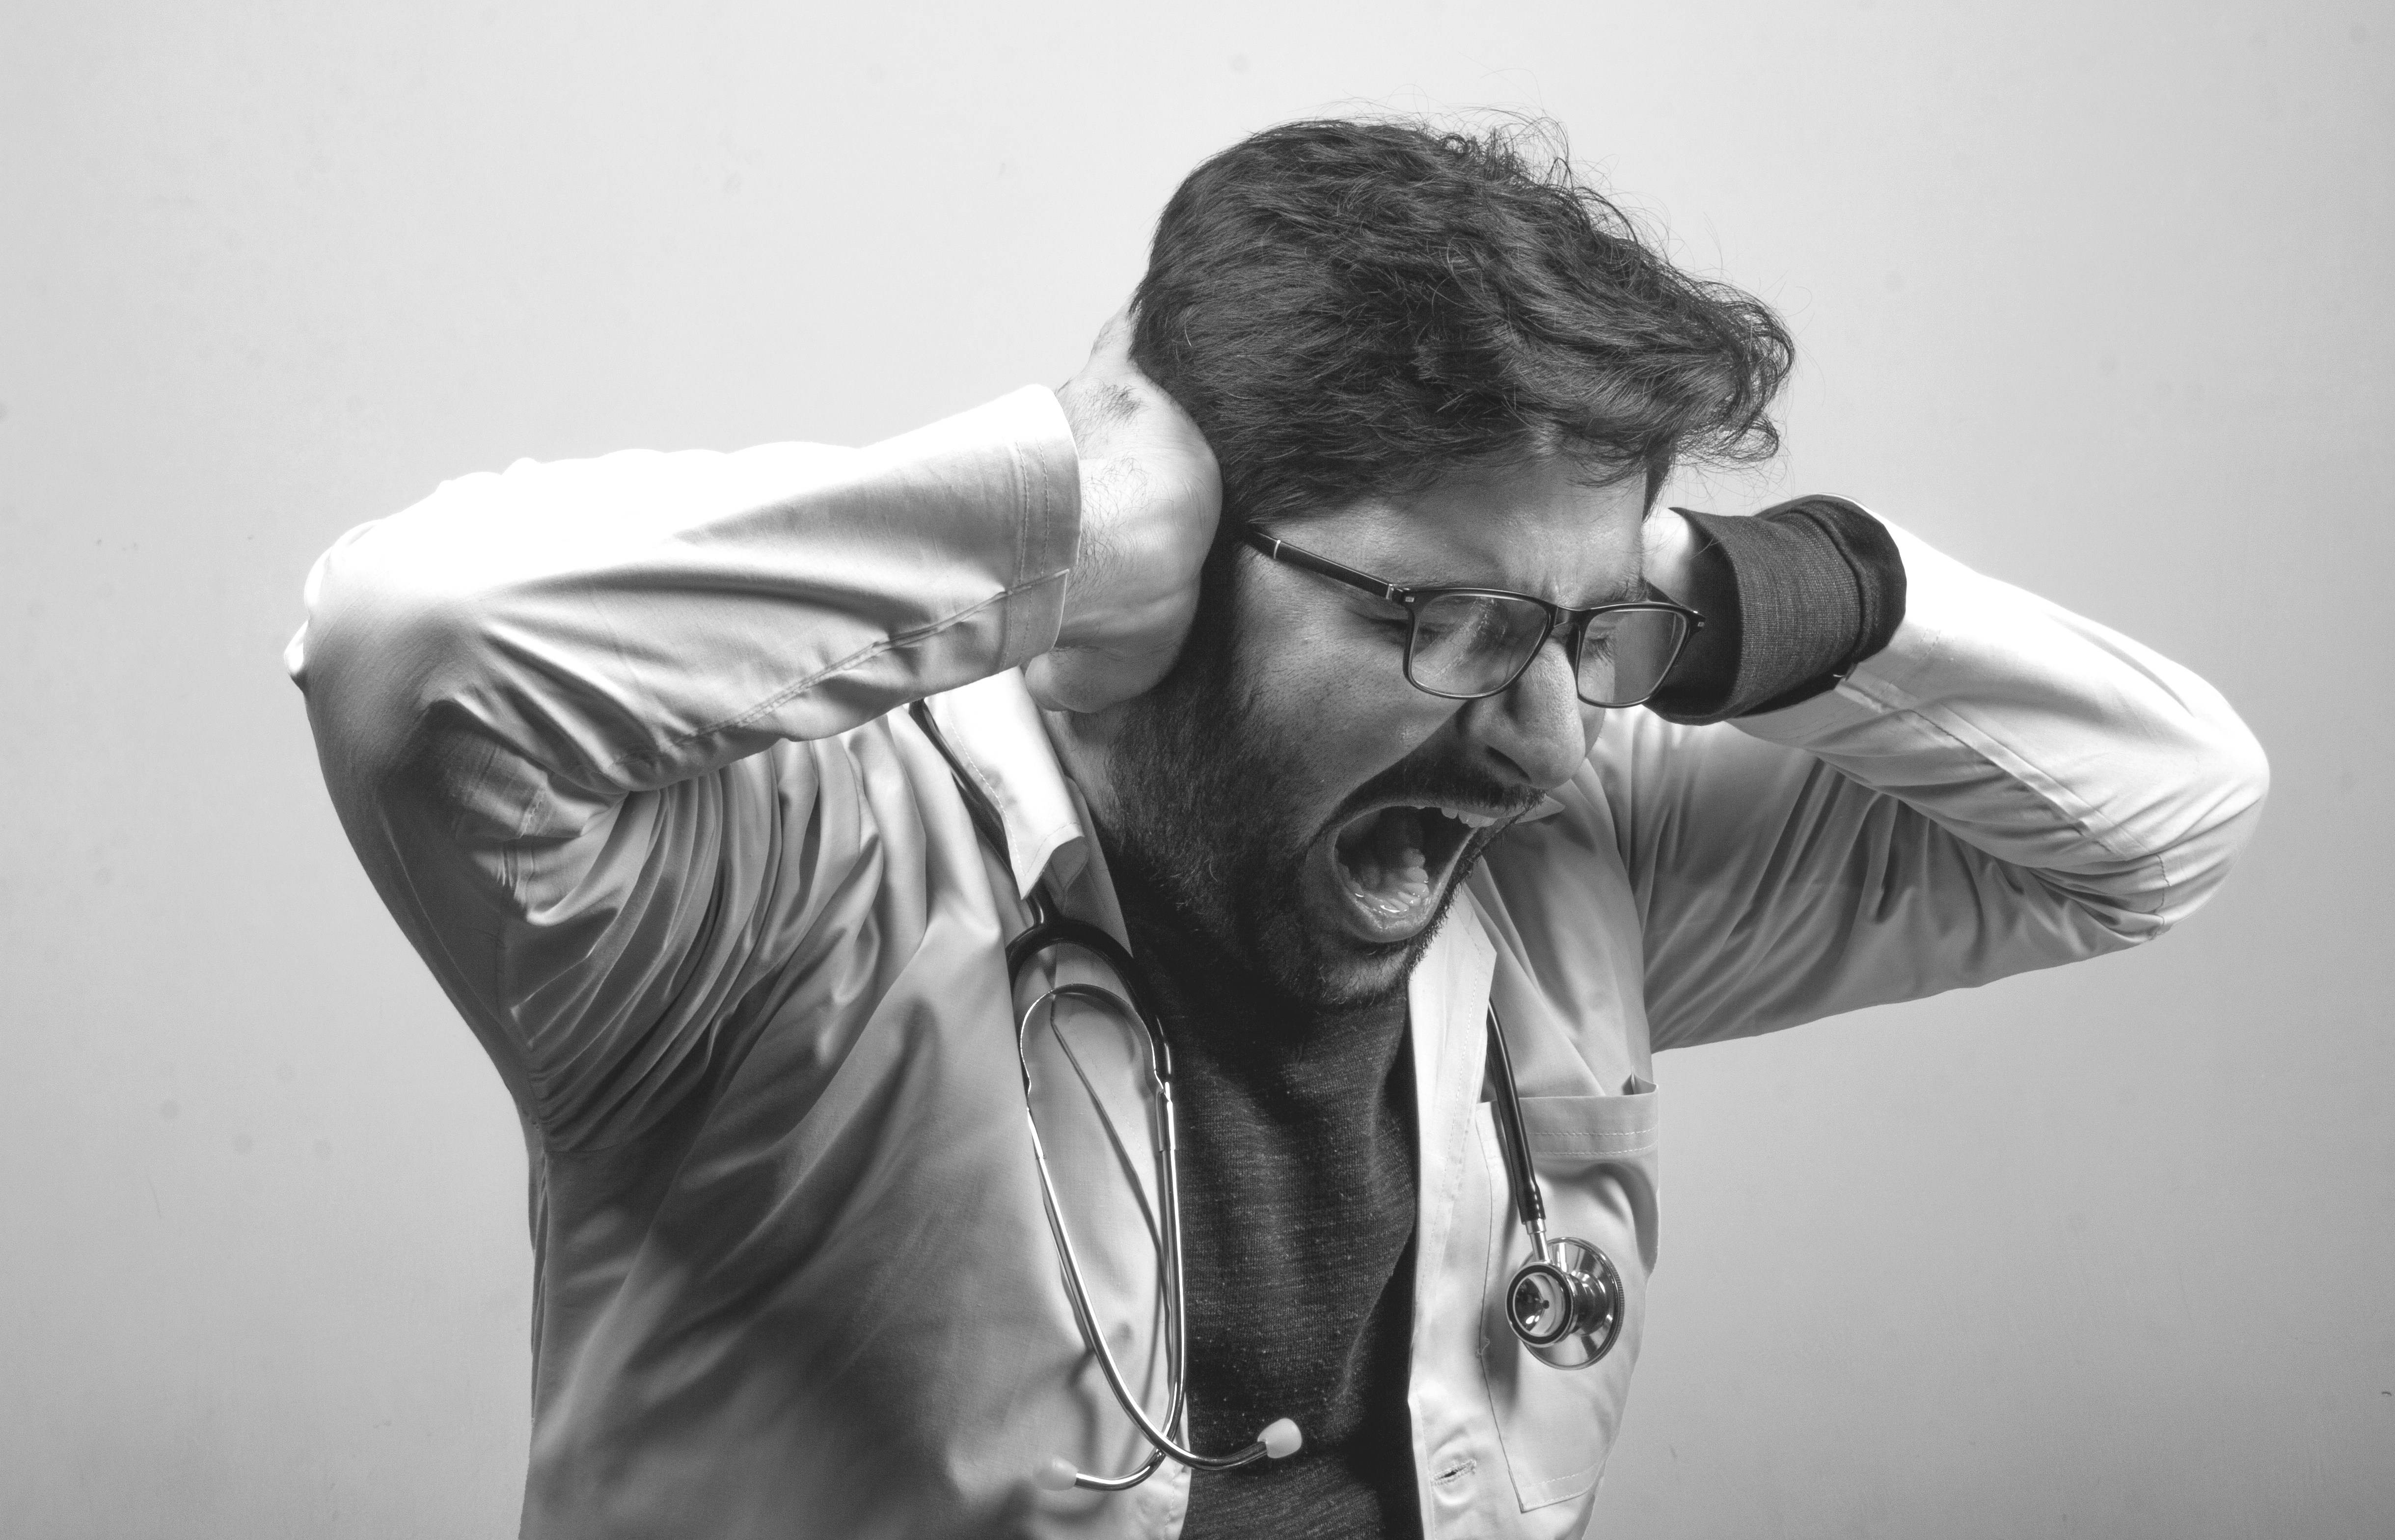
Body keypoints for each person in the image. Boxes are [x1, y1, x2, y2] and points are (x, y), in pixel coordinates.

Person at [288, 117, 2268, 1540]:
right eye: (1447, 620)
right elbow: (416, 646)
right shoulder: (779, 889)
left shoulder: (1571, 858)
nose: (1541, 734)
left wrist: (1697, 584)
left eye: (1583, 635)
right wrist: (1075, 514)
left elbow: (2164, 817)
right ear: (1180, 577)